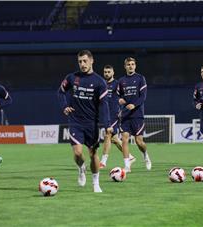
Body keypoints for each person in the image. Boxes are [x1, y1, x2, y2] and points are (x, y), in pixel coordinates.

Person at [57, 50, 112, 192]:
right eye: (80, 61)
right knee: (77, 153)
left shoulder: (100, 82)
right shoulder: (72, 77)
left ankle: (96, 183)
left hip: (91, 123)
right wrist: (64, 106)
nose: (82, 64)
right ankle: (81, 167)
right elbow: (60, 92)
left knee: (93, 154)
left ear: (92, 61)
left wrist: (107, 125)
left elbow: (104, 105)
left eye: (85, 61)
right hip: (75, 121)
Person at [117, 57, 152, 173]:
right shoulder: (121, 81)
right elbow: (118, 96)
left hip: (137, 114)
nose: (130, 66)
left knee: (139, 141)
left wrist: (134, 105)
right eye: (128, 64)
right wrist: (120, 100)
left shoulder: (140, 78)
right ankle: (127, 166)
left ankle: (145, 156)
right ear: (125, 66)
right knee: (124, 139)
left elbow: (143, 96)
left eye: (132, 64)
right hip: (125, 115)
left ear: (135, 66)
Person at [99, 65, 136, 168]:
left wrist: (122, 109)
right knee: (114, 139)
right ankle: (130, 157)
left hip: (114, 114)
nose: (106, 73)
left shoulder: (117, 84)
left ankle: (103, 162)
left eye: (108, 72)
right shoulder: (102, 84)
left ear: (113, 73)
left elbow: (125, 97)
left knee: (108, 134)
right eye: (105, 72)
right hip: (106, 114)